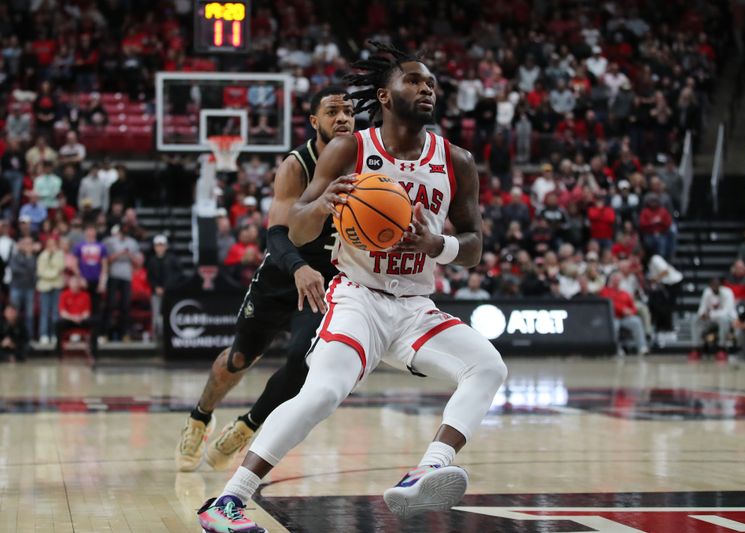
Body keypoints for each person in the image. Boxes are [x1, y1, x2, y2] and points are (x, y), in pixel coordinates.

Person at [197, 43, 507, 533]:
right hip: (357, 297)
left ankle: (428, 469)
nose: (426, 88)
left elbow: (473, 246)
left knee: (488, 365)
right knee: (321, 392)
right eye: (414, 81)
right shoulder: (351, 149)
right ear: (384, 95)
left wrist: (436, 242)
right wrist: (322, 207)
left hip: (414, 305)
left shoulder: (457, 160)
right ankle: (227, 501)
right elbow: (293, 229)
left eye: (431, 83)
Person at [177, 87, 356, 473]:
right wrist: (297, 268)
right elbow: (275, 235)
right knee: (239, 358)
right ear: (314, 121)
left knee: (303, 362)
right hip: (283, 272)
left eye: (348, 111)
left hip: (329, 283)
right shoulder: (297, 165)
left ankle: (247, 426)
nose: (342, 117)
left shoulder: (367, 161)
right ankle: (199, 416)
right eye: (332, 111)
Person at [102, 225, 140, 341]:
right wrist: (120, 254)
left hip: (126, 277)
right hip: (113, 276)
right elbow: (106, 259)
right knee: (110, 304)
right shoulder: (110, 241)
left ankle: (125, 333)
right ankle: (106, 333)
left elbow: (138, 262)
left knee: (125, 306)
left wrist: (128, 255)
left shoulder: (132, 243)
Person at [600, 272, 648, 355]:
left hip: (624, 318)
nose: (617, 281)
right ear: (611, 280)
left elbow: (633, 308)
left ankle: (642, 347)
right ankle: (617, 349)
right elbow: (610, 304)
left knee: (636, 321)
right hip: (612, 318)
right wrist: (622, 310)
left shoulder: (625, 293)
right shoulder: (605, 291)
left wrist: (630, 312)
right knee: (614, 326)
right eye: (615, 279)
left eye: (618, 279)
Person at [688, 278, 736, 362]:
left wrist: (709, 315)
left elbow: (726, 311)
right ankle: (696, 348)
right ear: (710, 286)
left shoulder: (728, 292)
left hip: (727, 319)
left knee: (723, 319)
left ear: (721, 285)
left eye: (717, 285)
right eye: (713, 285)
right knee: (695, 319)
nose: (715, 287)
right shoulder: (707, 292)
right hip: (711, 319)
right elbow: (702, 308)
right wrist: (702, 314)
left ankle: (721, 348)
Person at [145, 235, 182, 341]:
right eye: (157, 245)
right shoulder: (151, 261)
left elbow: (178, 274)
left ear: (166, 246)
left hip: (169, 293)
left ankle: (169, 337)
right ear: (154, 247)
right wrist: (156, 287)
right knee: (156, 316)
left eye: (161, 245)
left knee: (169, 314)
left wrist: (167, 287)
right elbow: (149, 277)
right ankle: (157, 337)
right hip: (156, 293)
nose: (160, 248)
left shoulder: (172, 259)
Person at [55, 275, 97, 358]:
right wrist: (72, 318)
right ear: (69, 284)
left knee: (95, 322)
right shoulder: (64, 294)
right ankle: (58, 352)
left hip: (82, 320)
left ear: (79, 284)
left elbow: (87, 312)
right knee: (58, 324)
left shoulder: (85, 295)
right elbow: (63, 312)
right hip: (69, 320)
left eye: (76, 282)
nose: (75, 284)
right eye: (73, 282)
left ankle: (94, 352)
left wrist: (80, 317)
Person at [36, 236, 65, 344]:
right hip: (44, 287)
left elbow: (60, 267)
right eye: (49, 243)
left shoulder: (60, 254)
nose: (51, 245)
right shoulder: (43, 255)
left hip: (56, 286)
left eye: (53, 243)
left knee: (55, 312)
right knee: (44, 312)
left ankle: (54, 334)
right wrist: (53, 274)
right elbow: (40, 271)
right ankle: (43, 334)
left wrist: (50, 273)